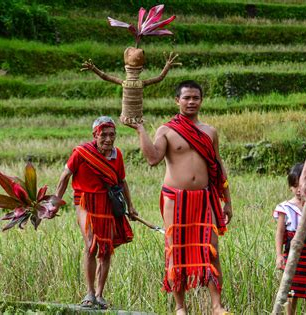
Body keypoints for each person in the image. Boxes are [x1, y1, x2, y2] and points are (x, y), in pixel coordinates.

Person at [127, 80, 232, 315]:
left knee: (212, 248)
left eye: (195, 97)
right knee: (176, 249)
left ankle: (217, 305)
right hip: (175, 199)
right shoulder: (166, 130)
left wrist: (227, 201)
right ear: (177, 101)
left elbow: (217, 166)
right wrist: (140, 129)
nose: (191, 102)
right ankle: (180, 307)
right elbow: (153, 158)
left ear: (201, 100)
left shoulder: (210, 132)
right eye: (187, 98)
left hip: (205, 198)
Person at [55, 116, 137, 309]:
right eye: (103, 135)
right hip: (84, 200)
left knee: (106, 249)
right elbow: (65, 176)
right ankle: (89, 292)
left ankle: (99, 294)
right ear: (95, 135)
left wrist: (131, 206)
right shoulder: (82, 153)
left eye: (112, 135)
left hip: (106, 203)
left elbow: (122, 181)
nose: (108, 139)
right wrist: (55, 203)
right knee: (91, 243)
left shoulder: (117, 155)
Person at [274, 163, 306, 315]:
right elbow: (279, 233)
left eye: (301, 185)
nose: (298, 190)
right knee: (290, 289)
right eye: (295, 186)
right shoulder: (285, 208)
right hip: (293, 254)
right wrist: (279, 255)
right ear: (290, 186)